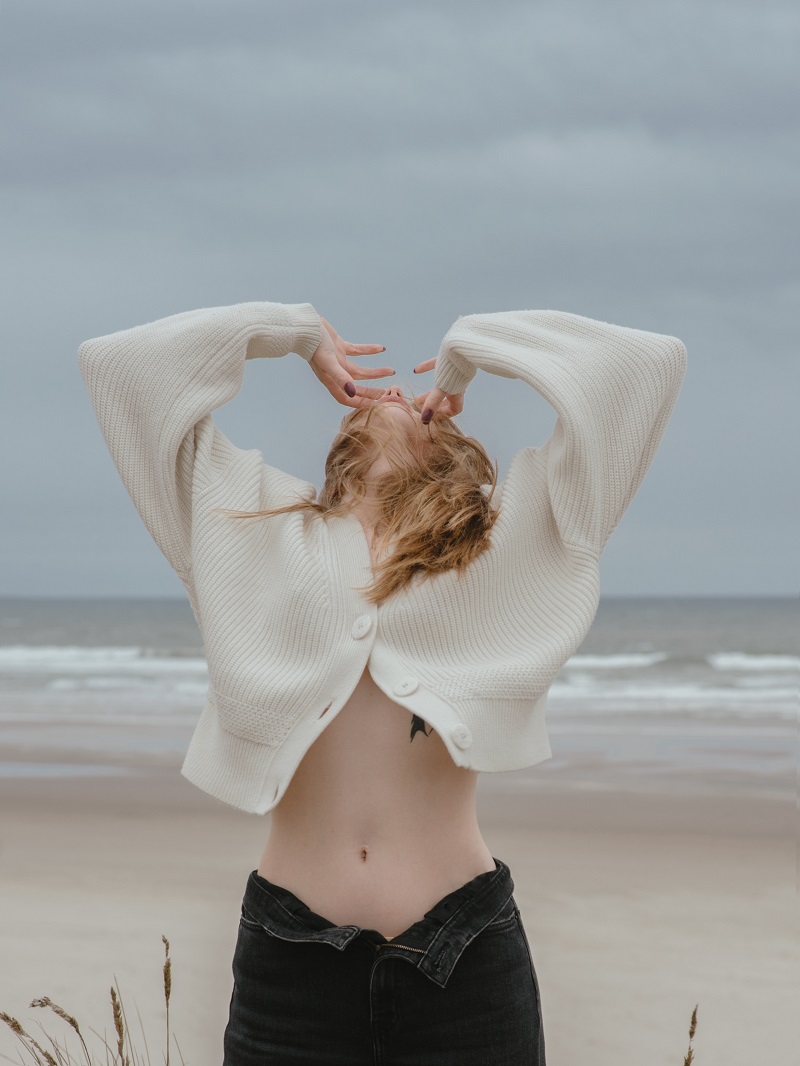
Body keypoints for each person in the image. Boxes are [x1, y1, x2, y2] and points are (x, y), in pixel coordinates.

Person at [79, 299, 687, 1065]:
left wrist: (474, 346)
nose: (390, 392)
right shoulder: (245, 527)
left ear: (451, 448)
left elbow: (644, 367)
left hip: (465, 960)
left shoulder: (506, 541)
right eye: (375, 395)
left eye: (411, 394)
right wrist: (294, 331)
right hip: (286, 968)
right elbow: (121, 366)